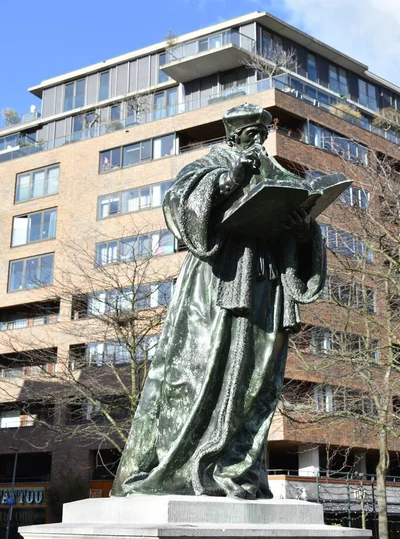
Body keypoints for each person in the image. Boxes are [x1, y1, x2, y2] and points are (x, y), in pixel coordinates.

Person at [112, 103, 326, 500]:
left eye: (262, 134)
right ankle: (181, 467)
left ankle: (236, 468)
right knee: (200, 371)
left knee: (257, 379)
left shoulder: (275, 173)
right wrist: (229, 181)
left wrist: (302, 230)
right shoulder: (207, 166)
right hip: (218, 283)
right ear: (233, 135)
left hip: (266, 287)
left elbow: (300, 234)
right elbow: (179, 207)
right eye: (250, 135)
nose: (258, 142)